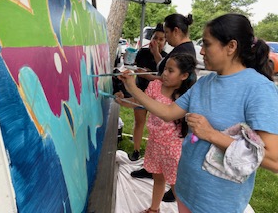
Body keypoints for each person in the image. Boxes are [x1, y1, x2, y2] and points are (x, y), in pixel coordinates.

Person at [118, 13, 278, 213]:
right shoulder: (205, 83)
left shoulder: (258, 89)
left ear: (231, 47)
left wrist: (211, 134)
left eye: (207, 44)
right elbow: (168, 112)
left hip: (217, 203)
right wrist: (133, 89)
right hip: (186, 191)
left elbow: (273, 159)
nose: (201, 51)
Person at [115, 53, 197, 213]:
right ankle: (154, 208)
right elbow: (139, 103)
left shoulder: (184, 98)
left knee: (176, 187)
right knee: (158, 177)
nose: (164, 74)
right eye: (165, 69)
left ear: (184, 75)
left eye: (170, 71)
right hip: (154, 143)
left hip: (173, 150)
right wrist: (122, 100)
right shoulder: (154, 86)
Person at [134, 13, 198, 202]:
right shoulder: (180, 50)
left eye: (167, 34)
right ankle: (156, 204)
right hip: (157, 141)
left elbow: (168, 108)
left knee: (175, 181)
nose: (166, 39)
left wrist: (144, 80)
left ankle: (177, 198)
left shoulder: (184, 53)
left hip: (171, 143)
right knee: (159, 176)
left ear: (176, 31)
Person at [128, 23, 168, 161]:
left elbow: (164, 77)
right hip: (140, 91)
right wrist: (139, 73)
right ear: (151, 38)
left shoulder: (166, 58)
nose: (157, 42)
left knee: (156, 126)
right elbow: (137, 71)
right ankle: (136, 150)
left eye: (161, 39)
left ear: (165, 42)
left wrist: (150, 76)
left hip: (157, 97)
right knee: (139, 122)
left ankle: (153, 154)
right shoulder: (142, 52)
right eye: (155, 38)